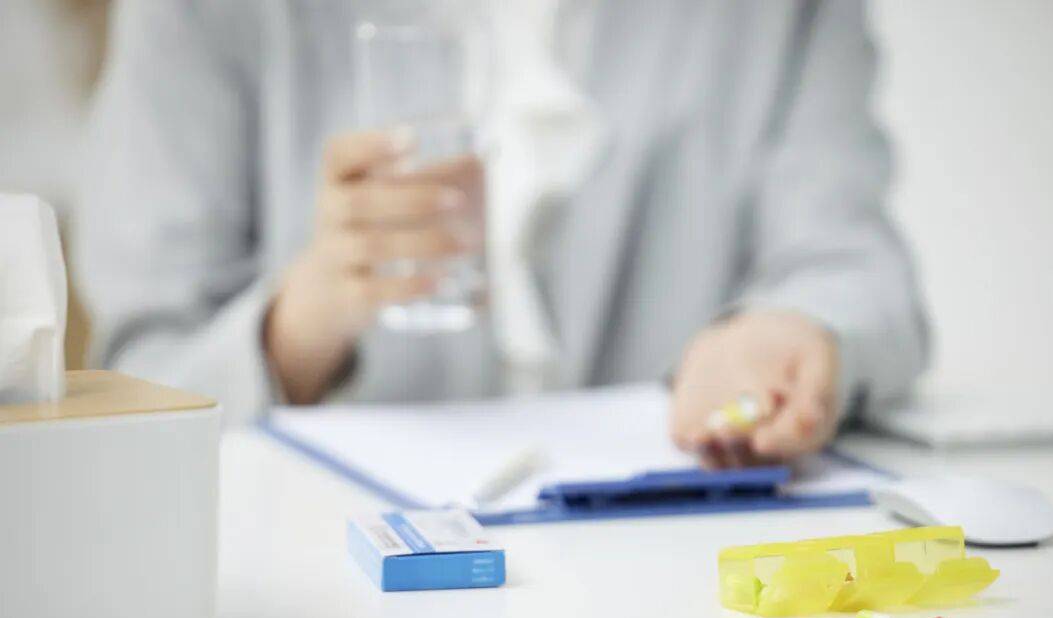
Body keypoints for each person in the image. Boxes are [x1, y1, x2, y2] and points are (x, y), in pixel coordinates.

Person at [75, 0, 928, 468]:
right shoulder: (201, 16)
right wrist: (301, 323)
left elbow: (853, 267)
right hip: (324, 584)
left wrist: (791, 333)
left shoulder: (770, 16)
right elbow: (135, 376)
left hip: (661, 561)